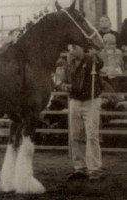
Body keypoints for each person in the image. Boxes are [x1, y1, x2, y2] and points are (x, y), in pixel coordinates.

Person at [59, 45, 104, 181]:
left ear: (80, 49)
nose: (71, 51)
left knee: (91, 135)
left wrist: (96, 55)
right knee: (75, 135)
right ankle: (80, 168)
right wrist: (64, 86)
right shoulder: (68, 62)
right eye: (70, 49)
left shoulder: (91, 60)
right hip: (75, 100)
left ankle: (95, 169)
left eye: (74, 48)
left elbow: (100, 63)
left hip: (91, 100)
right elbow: (63, 81)